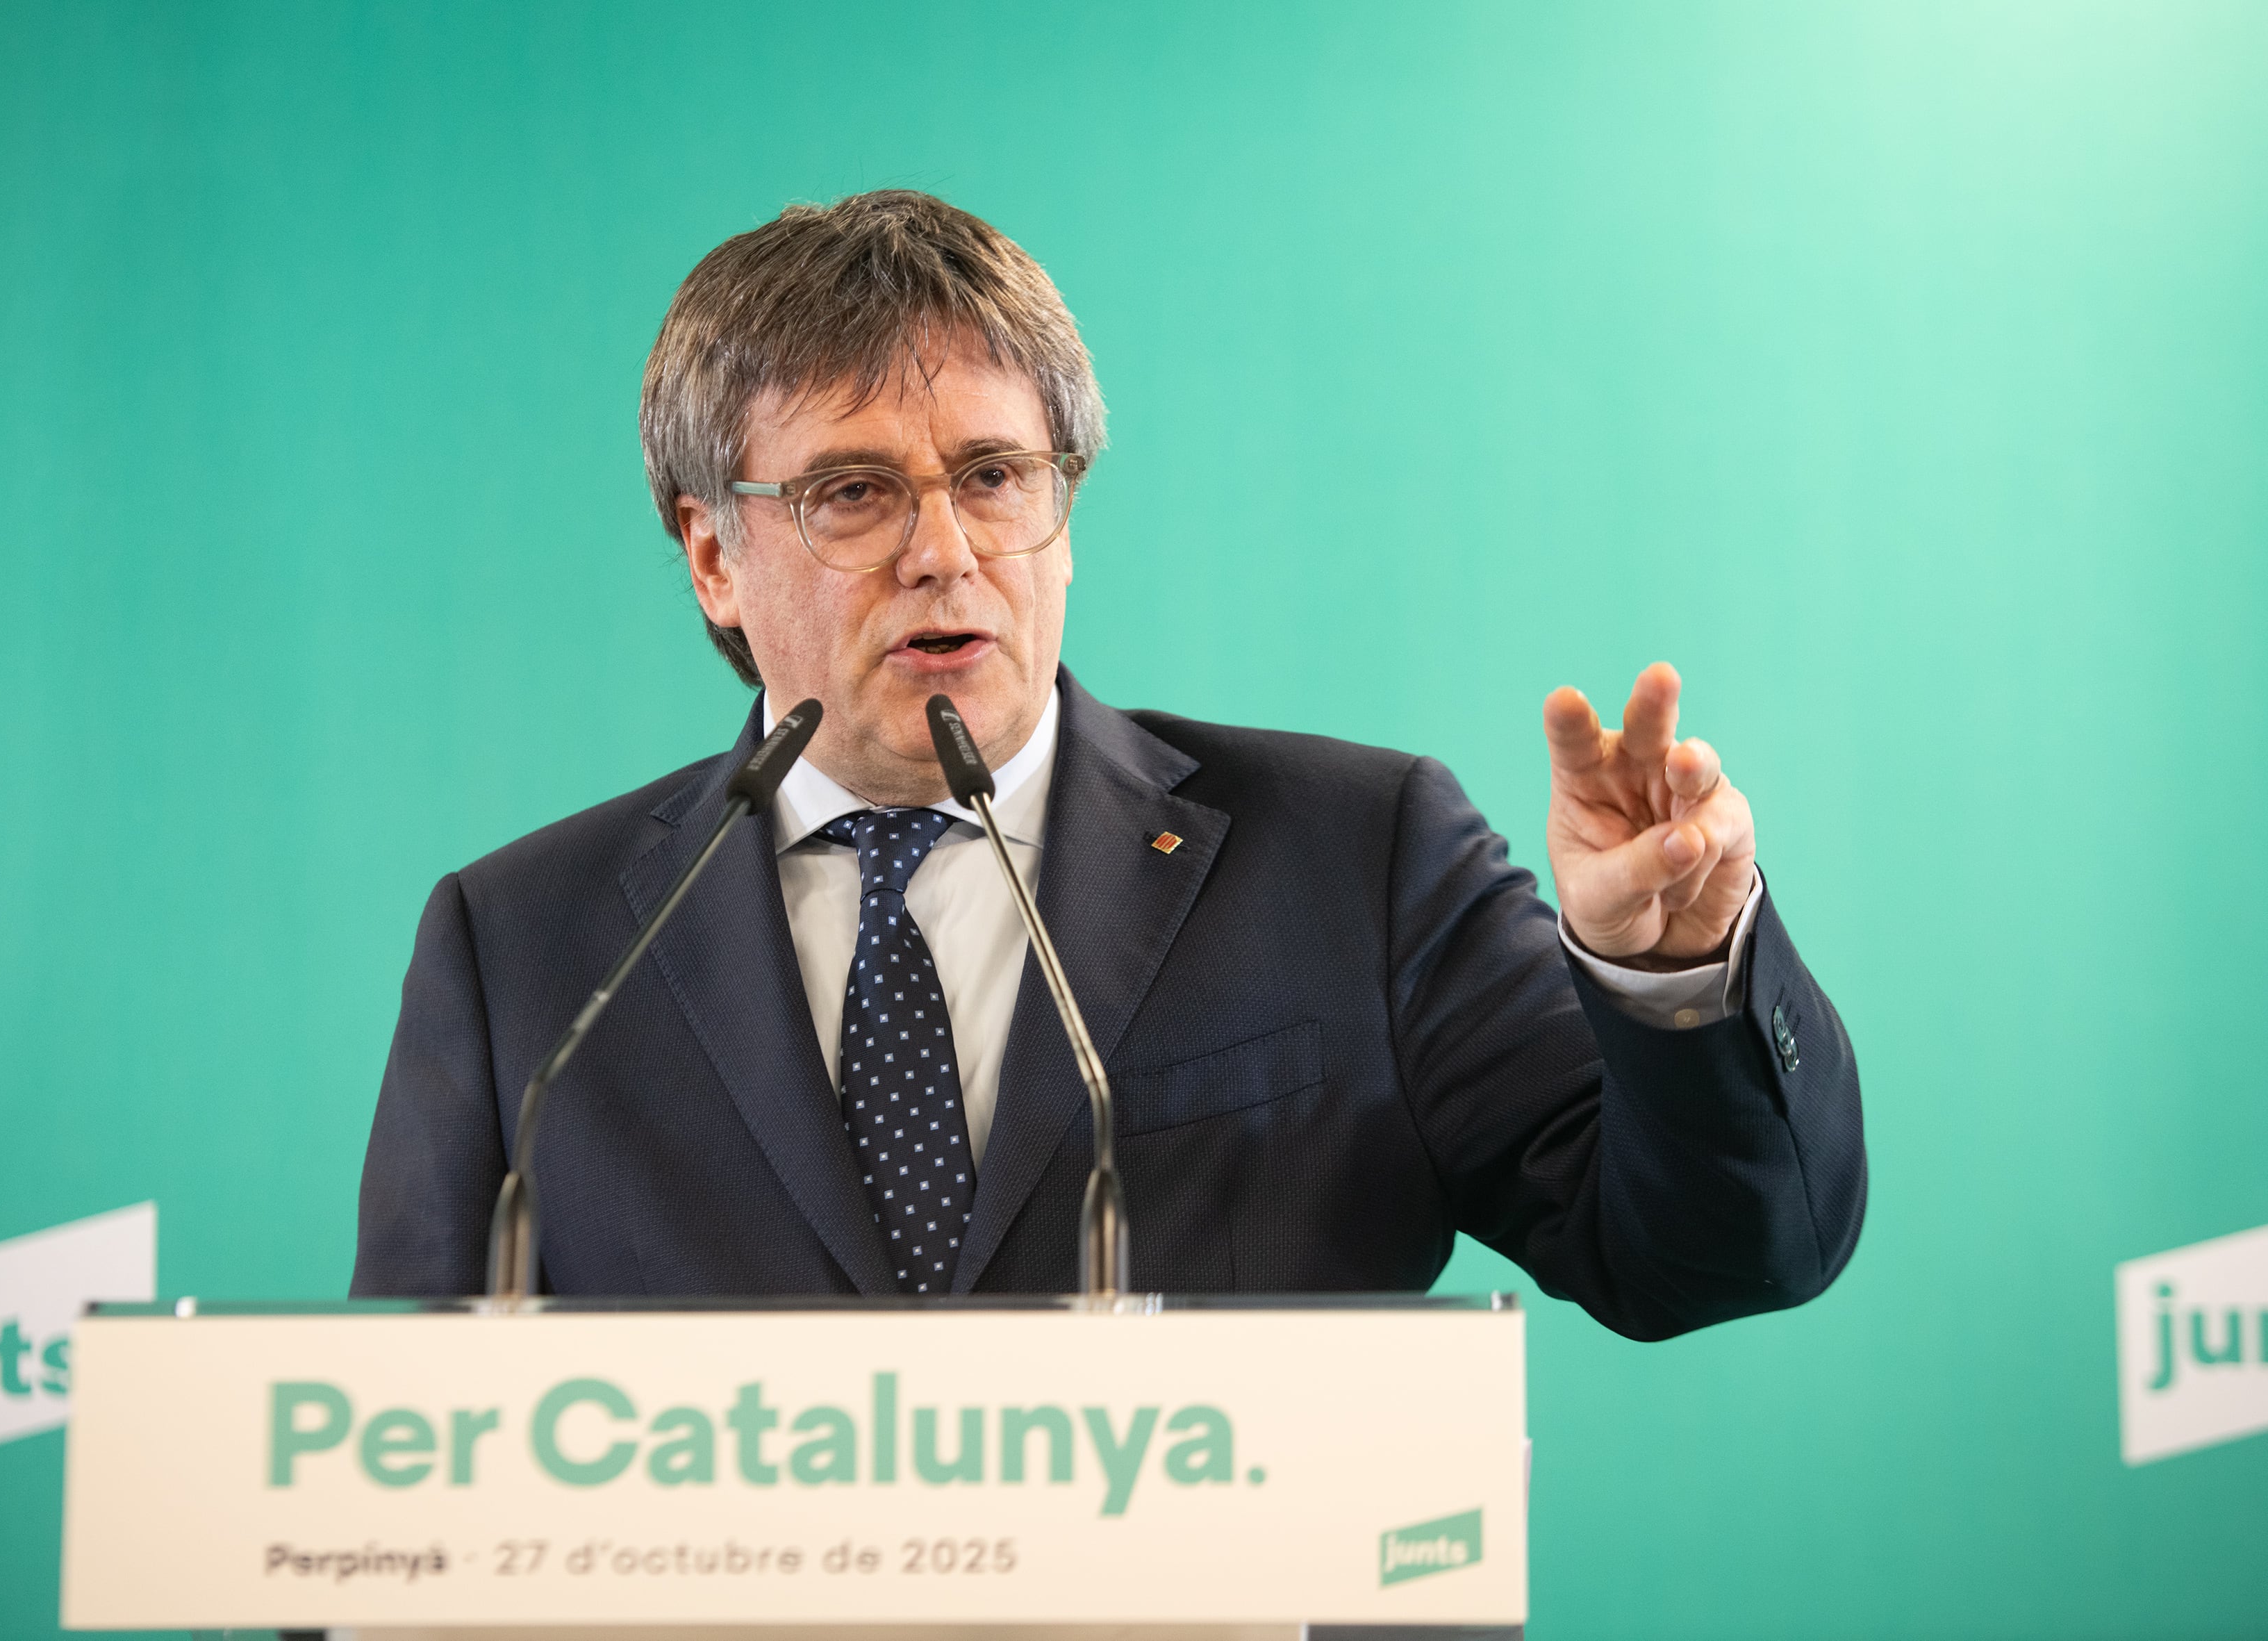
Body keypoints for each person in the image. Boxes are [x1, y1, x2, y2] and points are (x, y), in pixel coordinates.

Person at [351, 190, 1864, 1338]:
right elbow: (395, 1486)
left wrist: (1665, 978)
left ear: (1061, 513)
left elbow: (1717, 1253)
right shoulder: (527, 953)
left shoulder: (1354, 854)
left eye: (995, 477)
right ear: (712, 557)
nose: (943, 553)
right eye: (854, 492)